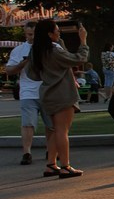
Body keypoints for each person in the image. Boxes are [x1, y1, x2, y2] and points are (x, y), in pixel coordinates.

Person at [30, 19, 91, 178]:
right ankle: (65, 165)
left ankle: (51, 164)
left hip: (47, 92)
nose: (59, 32)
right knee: (62, 131)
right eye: (57, 30)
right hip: (63, 93)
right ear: (49, 34)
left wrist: (49, 75)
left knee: (53, 130)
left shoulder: (37, 50)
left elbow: (32, 74)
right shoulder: (54, 51)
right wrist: (83, 40)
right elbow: (79, 58)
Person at [4, 20, 44, 166]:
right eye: (28, 34)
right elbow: (9, 70)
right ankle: (27, 152)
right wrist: (23, 63)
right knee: (27, 123)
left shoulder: (51, 47)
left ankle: (52, 150)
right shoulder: (19, 50)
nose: (30, 37)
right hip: (28, 92)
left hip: (48, 90)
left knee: (51, 124)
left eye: (33, 34)